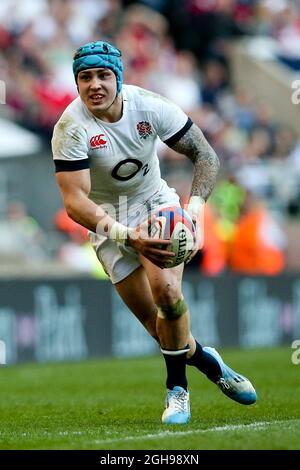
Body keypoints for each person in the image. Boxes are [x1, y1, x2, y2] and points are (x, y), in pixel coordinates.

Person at [52, 41, 256, 424]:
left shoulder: (150, 106)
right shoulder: (70, 127)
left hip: (154, 202)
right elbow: (76, 202)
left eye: (103, 75)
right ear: (77, 83)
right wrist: (127, 236)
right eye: (85, 77)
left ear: (118, 78)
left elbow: (206, 156)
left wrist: (192, 213)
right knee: (158, 329)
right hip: (107, 219)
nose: (95, 85)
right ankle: (212, 365)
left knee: (168, 294)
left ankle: (177, 391)